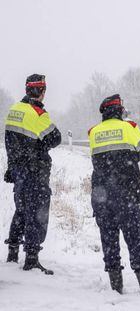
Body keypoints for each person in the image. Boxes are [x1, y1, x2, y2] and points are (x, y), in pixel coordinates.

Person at [88, 94, 140, 294]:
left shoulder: (94, 132)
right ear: (119, 110)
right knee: (134, 236)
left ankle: (116, 285)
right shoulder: (129, 128)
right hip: (125, 193)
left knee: (108, 238)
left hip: (101, 194)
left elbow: (97, 158)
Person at [4, 74, 61, 275]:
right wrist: (39, 146)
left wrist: (12, 166)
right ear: (41, 91)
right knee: (37, 213)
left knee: (21, 210)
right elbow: (56, 138)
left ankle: (12, 253)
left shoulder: (14, 110)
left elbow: (9, 142)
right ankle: (32, 258)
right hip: (35, 171)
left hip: (19, 170)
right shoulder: (37, 114)